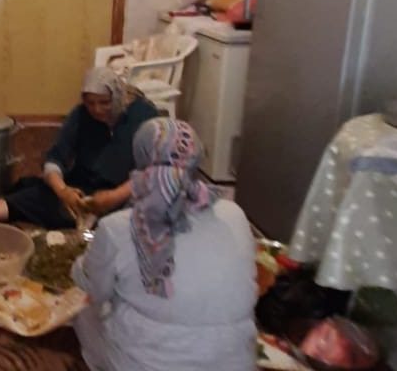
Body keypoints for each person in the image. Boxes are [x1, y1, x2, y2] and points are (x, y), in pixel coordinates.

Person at [71, 118, 257, 371]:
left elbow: (94, 288)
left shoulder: (118, 227)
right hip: (235, 363)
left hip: (146, 365)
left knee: (85, 310)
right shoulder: (235, 214)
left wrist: (80, 265)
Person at [0, 67, 158, 230]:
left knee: (126, 222)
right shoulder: (81, 115)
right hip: (83, 189)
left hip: (126, 193)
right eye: (90, 103)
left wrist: (114, 196)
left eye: (104, 103)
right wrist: (63, 191)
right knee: (37, 193)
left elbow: (156, 169)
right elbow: (55, 158)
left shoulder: (143, 117)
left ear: (116, 97)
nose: (97, 110)